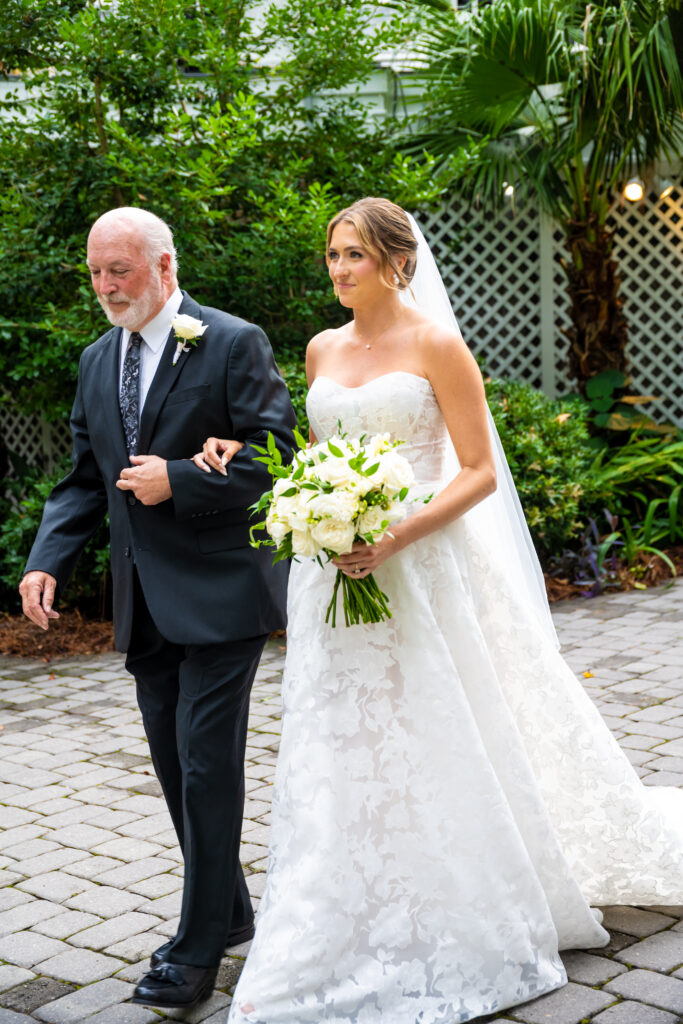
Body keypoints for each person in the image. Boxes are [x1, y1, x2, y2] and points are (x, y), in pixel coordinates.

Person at [195, 197, 683, 1024]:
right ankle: (339, 896)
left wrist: (392, 535)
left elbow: (475, 471)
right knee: (343, 736)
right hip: (330, 573)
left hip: (421, 564)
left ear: (396, 260)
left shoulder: (435, 343)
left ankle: (464, 887)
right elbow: (318, 454)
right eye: (332, 255)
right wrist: (277, 475)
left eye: (353, 254)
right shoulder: (319, 349)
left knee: (439, 722)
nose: (339, 269)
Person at [19, 207, 295, 1010]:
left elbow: (279, 455)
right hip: (145, 603)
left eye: (121, 271)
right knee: (177, 774)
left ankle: (196, 949)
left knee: (207, 768)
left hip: (221, 595)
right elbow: (83, 480)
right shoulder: (94, 360)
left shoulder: (232, 341)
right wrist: (47, 563)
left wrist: (184, 478)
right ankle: (234, 911)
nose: (106, 287)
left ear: (165, 267)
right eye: (96, 272)